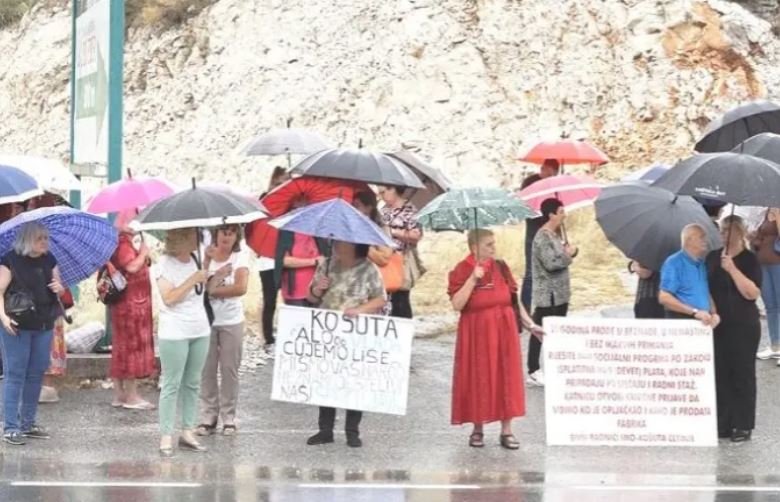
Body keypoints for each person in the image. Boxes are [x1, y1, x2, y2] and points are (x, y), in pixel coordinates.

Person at [448, 228, 541, 449]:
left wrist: (530, 323)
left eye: (493, 243)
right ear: (474, 247)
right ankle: (477, 428)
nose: (493, 248)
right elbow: (457, 304)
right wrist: (472, 279)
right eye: (488, 244)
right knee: (478, 374)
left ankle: (506, 430)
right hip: (477, 329)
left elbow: (512, 299)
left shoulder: (500, 266)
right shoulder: (461, 270)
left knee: (505, 374)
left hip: (504, 327)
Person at [155, 228, 231, 457]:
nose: (198, 239)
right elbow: (169, 299)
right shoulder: (163, 264)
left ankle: (187, 431)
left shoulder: (196, 258)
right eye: (192, 236)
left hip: (200, 328)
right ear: (180, 239)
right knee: (171, 383)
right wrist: (192, 279)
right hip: (174, 331)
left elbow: (202, 291)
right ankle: (166, 435)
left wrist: (214, 276)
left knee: (192, 383)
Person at [305, 240, 386, 448]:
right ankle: (325, 430)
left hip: (356, 333)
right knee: (326, 379)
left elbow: (380, 299)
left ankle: (352, 431)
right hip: (328, 331)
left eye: (340, 242)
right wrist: (317, 289)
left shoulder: (369, 268)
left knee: (354, 381)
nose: (335, 245)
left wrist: (359, 311)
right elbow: (310, 297)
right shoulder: (326, 264)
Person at [0, 222, 66, 445]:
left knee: (36, 373)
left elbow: (59, 286)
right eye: (40, 239)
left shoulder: (49, 259)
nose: (45, 242)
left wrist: (60, 288)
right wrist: (3, 318)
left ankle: (27, 423)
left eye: (46, 238)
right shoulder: (10, 260)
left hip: (43, 324)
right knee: (15, 374)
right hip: (16, 325)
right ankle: (10, 426)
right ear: (28, 240)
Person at [706, 216, 761, 442]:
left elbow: (752, 293)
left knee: (742, 373)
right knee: (721, 372)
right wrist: (711, 309)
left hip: (744, 324)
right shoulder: (712, 257)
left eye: (729, 230)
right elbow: (705, 286)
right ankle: (724, 421)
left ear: (739, 232)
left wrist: (732, 269)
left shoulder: (749, 260)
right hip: (719, 322)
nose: (724, 234)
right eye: (722, 229)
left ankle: (743, 423)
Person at [197, 225, 250, 437]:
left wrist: (213, 290)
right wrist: (211, 267)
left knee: (229, 369)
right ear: (216, 233)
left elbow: (240, 287)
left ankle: (229, 416)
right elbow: (198, 287)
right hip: (207, 320)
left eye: (232, 232)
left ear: (237, 236)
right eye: (223, 232)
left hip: (231, 319)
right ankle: (209, 415)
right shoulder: (205, 254)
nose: (227, 236)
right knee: (207, 369)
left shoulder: (240, 256)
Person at [108, 212, 156, 410]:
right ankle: (131, 395)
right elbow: (132, 266)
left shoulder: (122, 242)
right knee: (131, 347)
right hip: (131, 305)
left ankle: (119, 393)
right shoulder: (122, 243)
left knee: (121, 347)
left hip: (128, 304)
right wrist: (144, 253)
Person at [529, 198, 577, 387]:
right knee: (539, 331)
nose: (564, 215)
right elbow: (551, 263)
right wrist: (568, 256)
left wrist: (569, 251)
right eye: (561, 211)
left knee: (557, 331)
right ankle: (533, 370)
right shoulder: (542, 237)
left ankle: (556, 366)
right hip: (548, 295)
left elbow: (560, 256)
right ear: (551, 215)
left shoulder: (555, 235)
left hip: (560, 293)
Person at [658, 224, 720, 328]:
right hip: (682, 323)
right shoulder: (674, 262)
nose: (706, 240)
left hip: (703, 323)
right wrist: (694, 312)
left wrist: (714, 313)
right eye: (701, 237)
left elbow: (704, 292)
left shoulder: (701, 264)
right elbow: (664, 297)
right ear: (689, 240)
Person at [520, 159, 560, 313]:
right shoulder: (531, 182)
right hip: (533, 232)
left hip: (551, 233)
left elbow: (558, 212)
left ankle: (546, 310)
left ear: (554, 172)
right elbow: (524, 204)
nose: (543, 172)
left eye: (548, 171)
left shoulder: (557, 186)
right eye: (543, 169)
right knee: (531, 274)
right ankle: (524, 313)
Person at [258, 167, 290, 357]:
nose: (282, 187)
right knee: (270, 299)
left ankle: (287, 333)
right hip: (267, 258)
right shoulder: (264, 200)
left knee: (289, 297)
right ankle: (268, 338)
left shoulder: (290, 203)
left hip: (285, 256)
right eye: (279, 183)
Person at [379, 185, 423, 319]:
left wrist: (393, 232)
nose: (382, 196)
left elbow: (416, 235)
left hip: (400, 259)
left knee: (400, 298)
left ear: (393, 190)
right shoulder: (383, 210)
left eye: (384, 192)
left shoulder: (410, 210)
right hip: (383, 258)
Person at [353, 191, 395, 314]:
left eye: (357, 205)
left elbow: (384, 258)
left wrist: (363, 246)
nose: (353, 208)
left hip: (372, 284)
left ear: (368, 207)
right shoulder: (349, 226)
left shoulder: (379, 227)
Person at [751, 208, 780, 360]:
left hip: (777, 264)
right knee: (770, 305)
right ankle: (775, 344)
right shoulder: (765, 212)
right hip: (763, 263)